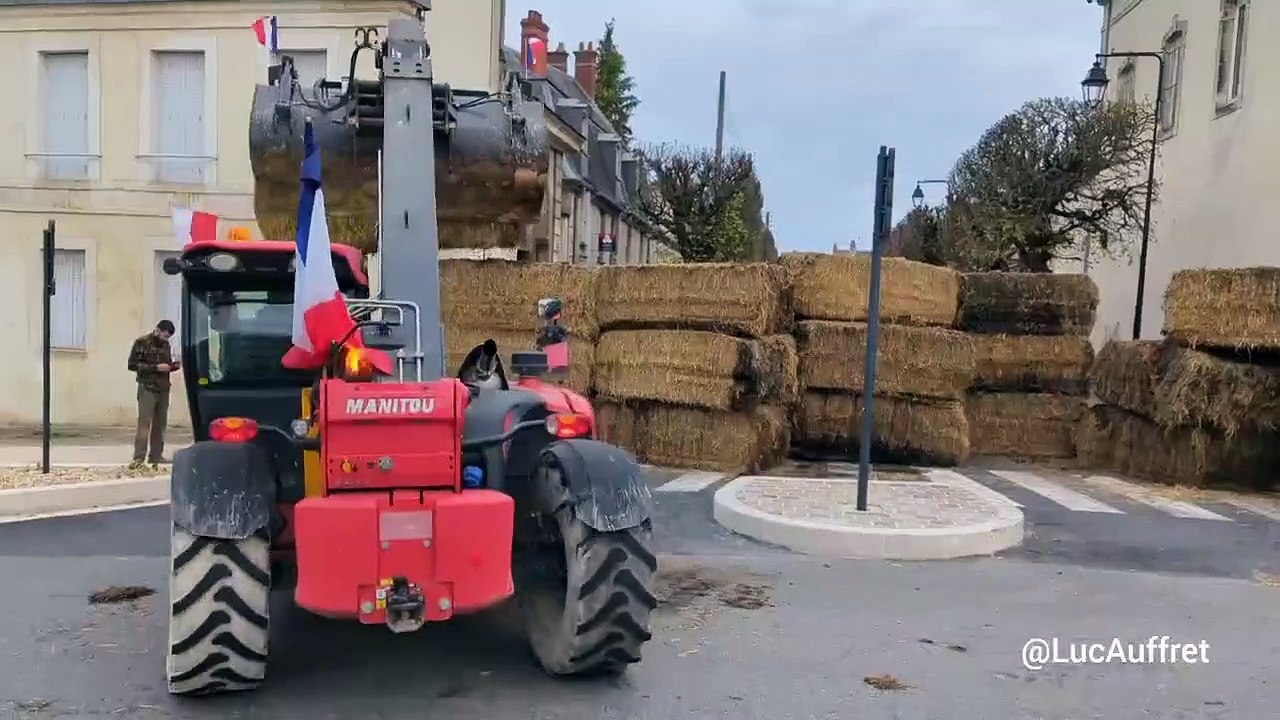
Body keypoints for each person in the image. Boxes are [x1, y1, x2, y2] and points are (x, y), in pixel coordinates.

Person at [127, 320, 180, 467]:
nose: (165, 340)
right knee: (144, 424)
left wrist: (174, 366)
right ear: (157, 330)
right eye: (164, 336)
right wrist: (156, 367)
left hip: (163, 388)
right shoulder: (141, 342)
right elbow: (132, 365)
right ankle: (138, 458)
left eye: (167, 338)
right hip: (147, 387)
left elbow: (166, 365)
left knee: (160, 424)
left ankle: (156, 456)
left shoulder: (166, 345)